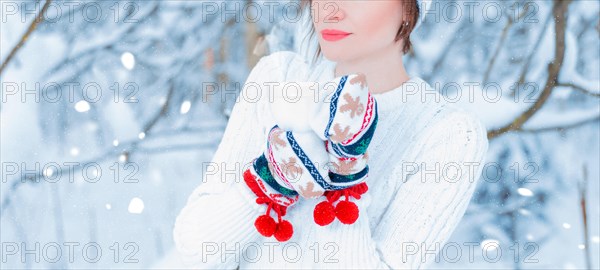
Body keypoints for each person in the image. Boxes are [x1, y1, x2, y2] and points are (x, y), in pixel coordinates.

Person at [173, 0, 490, 269]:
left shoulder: (447, 133)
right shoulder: (278, 79)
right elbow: (197, 248)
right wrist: (268, 181)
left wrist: (345, 175)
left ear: (408, 11)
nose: (330, 10)